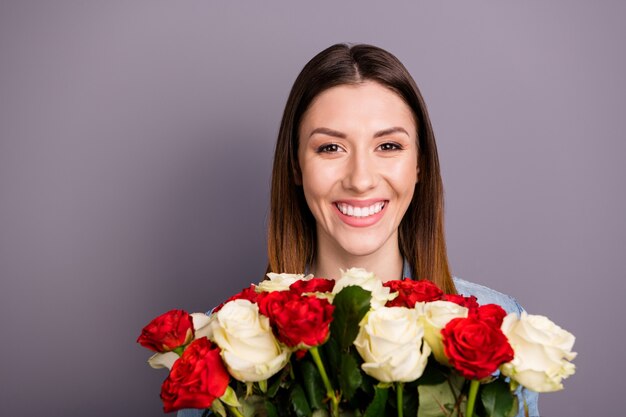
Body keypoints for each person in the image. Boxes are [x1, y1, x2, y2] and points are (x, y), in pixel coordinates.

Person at [179, 43, 539, 417]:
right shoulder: (217, 347)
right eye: (331, 147)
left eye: (388, 145)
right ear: (296, 168)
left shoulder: (501, 327)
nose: (361, 180)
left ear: (420, 165)